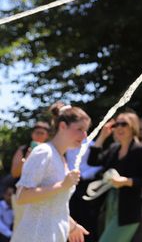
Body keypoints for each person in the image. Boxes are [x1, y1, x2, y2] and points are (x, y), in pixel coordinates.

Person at [12, 102, 90, 242]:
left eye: (86, 130)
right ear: (62, 126)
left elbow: (53, 203)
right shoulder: (44, 152)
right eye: (79, 129)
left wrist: (72, 226)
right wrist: (62, 185)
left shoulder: (61, 159)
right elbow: (22, 196)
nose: (84, 135)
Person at [88, 111, 142, 242]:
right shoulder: (114, 149)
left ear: (133, 127)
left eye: (123, 124)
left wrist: (126, 181)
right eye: (116, 124)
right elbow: (93, 161)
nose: (119, 127)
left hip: (128, 212)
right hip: (110, 205)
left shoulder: (140, 150)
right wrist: (102, 137)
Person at [10, 119, 51, 229]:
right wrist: (26, 159)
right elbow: (14, 173)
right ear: (32, 134)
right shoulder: (23, 150)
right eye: (36, 132)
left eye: (42, 133)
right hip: (20, 194)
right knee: (20, 226)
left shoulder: (50, 152)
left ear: (47, 135)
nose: (39, 135)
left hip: (41, 194)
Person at [66, 139, 103, 242]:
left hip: (85, 186)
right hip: (69, 186)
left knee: (87, 220)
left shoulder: (91, 144)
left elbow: (98, 166)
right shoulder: (67, 144)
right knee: (70, 217)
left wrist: (83, 176)